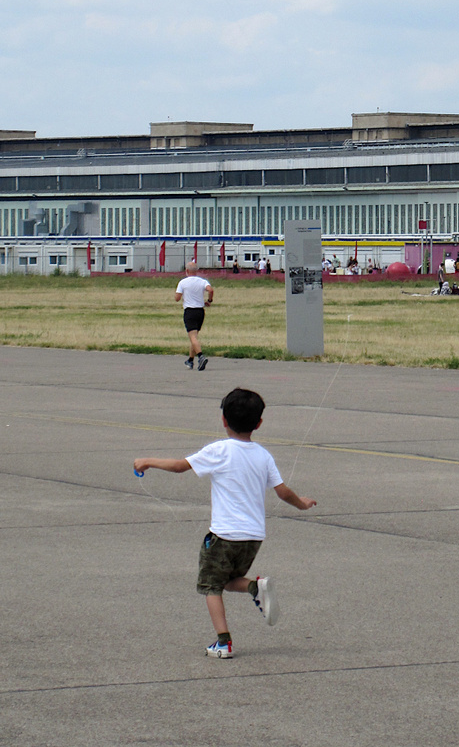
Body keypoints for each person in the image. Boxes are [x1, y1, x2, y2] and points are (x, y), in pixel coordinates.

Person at [134, 388, 316, 659]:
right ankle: (255, 587)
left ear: (223, 420)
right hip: (253, 538)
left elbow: (179, 466)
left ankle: (223, 641)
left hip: (223, 536)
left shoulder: (219, 450)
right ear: (259, 423)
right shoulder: (263, 455)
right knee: (229, 580)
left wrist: (147, 461)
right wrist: (301, 503)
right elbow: (282, 491)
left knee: (211, 585)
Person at [175, 261, 213, 371]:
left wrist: (181, 296)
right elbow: (210, 290)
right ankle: (191, 360)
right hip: (200, 311)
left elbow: (177, 298)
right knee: (195, 336)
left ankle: (201, 356)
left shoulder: (183, 282)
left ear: (186, 271)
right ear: (196, 271)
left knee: (192, 336)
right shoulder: (202, 281)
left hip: (190, 311)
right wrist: (209, 300)